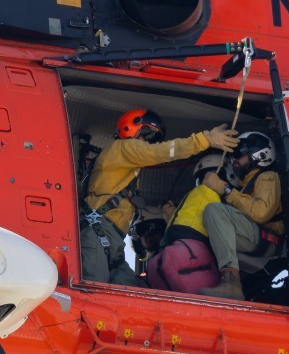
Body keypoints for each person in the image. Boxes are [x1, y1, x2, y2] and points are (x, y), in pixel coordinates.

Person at [81, 108, 237, 285]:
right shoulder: (122, 148)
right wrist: (204, 140)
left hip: (112, 240)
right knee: (92, 292)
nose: (146, 143)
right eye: (145, 135)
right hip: (98, 232)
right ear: (130, 128)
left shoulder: (124, 168)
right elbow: (159, 152)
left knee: (133, 291)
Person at [198, 131, 284, 301]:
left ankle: (231, 282)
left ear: (259, 154)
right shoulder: (246, 186)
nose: (233, 160)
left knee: (214, 210)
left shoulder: (268, 177)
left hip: (267, 239)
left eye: (239, 154)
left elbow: (260, 213)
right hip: (255, 236)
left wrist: (225, 189)